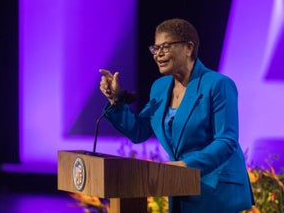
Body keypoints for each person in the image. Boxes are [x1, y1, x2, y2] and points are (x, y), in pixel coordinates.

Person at [99, 18, 254, 213]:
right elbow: (139, 131)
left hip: (216, 189)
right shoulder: (160, 87)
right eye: (155, 49)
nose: (158, 54)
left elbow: (226, 140)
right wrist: (115, 100)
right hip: (181, 186)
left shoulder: (218, 84)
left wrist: (186, 166)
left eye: (165, 46)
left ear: (188, 48)